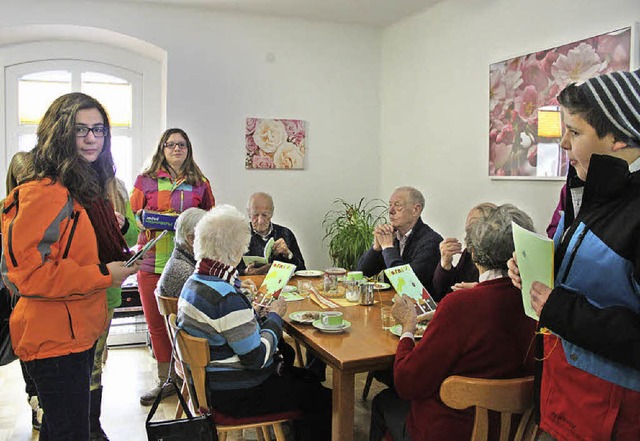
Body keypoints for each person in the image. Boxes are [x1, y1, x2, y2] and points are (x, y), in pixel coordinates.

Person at [508, 69, 640, 441]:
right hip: (562, 397)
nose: (563, 143)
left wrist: (560, 308)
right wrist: (538, 269)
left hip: (610, 416)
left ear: (617, 138)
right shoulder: (586, 191)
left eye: (576, 132)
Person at [1, 92, 138, 440]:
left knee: (62, 429)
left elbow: (72, 253)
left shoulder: (79, 189)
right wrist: (105, 274)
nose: (92, 138)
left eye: (98, 129)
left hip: (75, 331)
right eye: (80, 130)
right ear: (59, 132)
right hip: (53, 337)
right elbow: (28, 276)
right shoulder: (44, 192)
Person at [370, 204, 537, 441]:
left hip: (453, 430)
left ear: (475, 253)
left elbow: (407, 382)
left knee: (383, 402)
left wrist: (408, 327)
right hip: (513, 431)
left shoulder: (461, 304)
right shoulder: (540, 303)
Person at [177, 205, 331, 441]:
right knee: (322, 398)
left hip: (212, 384)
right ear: (236, 249)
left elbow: (227, 327)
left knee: (304, 379)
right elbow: (257, 358)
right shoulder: (225, 295)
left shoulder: (195, 282)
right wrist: (275, 318)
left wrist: (253, 312)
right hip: (236, 393)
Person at [130, 128, 215, 405]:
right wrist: (141, 219)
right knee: (157, 323)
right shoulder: (145, 181)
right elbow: (131, 219)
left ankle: (192, 375)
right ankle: (166, 379)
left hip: (190, 265)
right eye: (171, 144)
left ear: (188, 149)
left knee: (189, 322)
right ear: (162, 149)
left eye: (182, 145)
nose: (176, 149)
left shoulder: (201, 183)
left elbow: (211, 221)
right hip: (152, 262)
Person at [90, 176, 139, 441]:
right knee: (81, 365)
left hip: (107, 291)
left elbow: (132, 236)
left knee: (96, 362)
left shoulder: (116, 186)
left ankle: (93, 427)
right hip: (78, 288)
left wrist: (124, 224)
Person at [3, 151, 42, 431]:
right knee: (25, 350)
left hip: (43, 291)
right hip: (14, 293)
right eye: (23, 179)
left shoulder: (46, 207)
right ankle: (35, 401)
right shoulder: (5, 210)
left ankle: (40, 401)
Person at [357, 186, 442, 293]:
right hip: (392, 301)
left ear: (415, 210)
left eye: (398, 206)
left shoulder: (431, 241)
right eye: (390, 205)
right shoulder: (393, 235)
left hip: (420, 306)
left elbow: (408, 284)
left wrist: (388, 248)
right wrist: (376, 248)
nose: (391, 211)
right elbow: (361, 274)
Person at [431, 202, 496, 301]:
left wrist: (479, 289)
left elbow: (506, 291)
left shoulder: (504, 253)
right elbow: (442, 292)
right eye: (468, 224)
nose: (467, 229)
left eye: (474, 223)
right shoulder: (470, 252)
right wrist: (445, 263)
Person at [237, 192, 306, 275]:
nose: (260, 221)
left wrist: (289, 255)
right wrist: (244, 272)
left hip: (282, 286)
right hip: (249, 285)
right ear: (248, 213)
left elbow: (302, 271)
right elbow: (227, 271)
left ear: (272, 213)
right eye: (255, 215)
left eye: (265, 215)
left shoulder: (286, 233)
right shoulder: (238, 235)